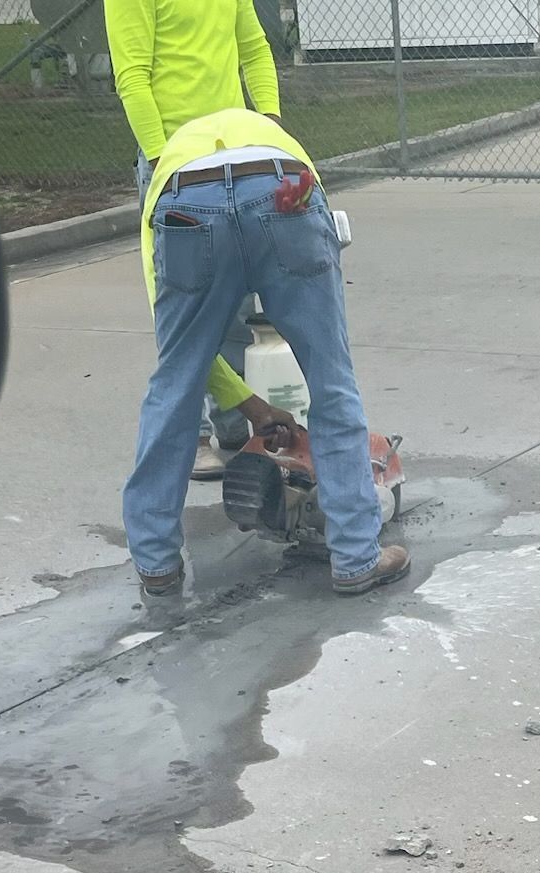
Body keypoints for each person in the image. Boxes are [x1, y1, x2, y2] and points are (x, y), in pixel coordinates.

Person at [125, 105, 409, 600]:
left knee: (174, 385)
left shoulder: (161, 179)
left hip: (185, 205)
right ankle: (355, 558)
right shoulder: (269, 133)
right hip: (283, 188)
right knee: (330, 377)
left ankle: (156, 565)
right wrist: (255, 405)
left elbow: (180, 355)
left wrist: (246, 405)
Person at [105, 0, 278, 480]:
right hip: (174, 162)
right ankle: (197, 435)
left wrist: (269, 122)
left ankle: (237, 427)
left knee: (238, 302)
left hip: (233, 155)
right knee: (184, 309)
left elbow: (255, 49)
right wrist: (163, 162)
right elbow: (133, 78)